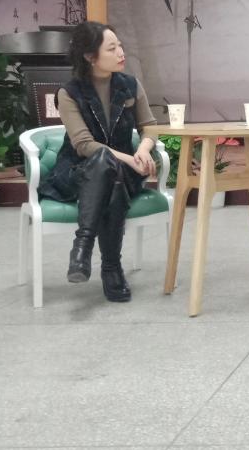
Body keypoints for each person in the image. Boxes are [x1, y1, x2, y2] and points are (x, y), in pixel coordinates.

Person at [38, 22, 158, 303]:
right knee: (105, 165)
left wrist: (144, 149)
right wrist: (130, 159)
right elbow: (84, 145)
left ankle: (82, 250)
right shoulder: (69, 93)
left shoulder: (130, 85)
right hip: (78, 170)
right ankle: (111, 269)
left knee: (111, 176)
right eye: (112, 48)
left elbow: (149, 126)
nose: (121, 53)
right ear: (90, 56)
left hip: (121, 171)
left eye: (120, 46)